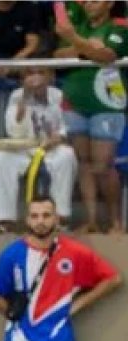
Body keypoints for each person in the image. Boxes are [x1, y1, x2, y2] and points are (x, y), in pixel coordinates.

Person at [0, 195, 122, 341]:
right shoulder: (11, 255)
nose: (40, 221)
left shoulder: (75, 253)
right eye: (35, 216)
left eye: (46, 215)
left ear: (56, 219)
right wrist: (12, 312)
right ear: (27, 220)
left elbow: (113, 279)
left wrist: (79, 304)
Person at [54, 0, 127, 234]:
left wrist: (75, 41)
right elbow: (58, 55)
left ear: (110, 3)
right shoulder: (79, 27)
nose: (88, 4)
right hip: (74, 101)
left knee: (103, 165)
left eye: (95, 0)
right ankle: (92, 221)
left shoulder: (120, 26)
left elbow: (107, 55)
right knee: (83, 163)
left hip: (107, 102)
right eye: (85, 1)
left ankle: (116, 222)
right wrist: (86, 48)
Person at [0, 67, 78, 233]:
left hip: (52, 147)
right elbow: (13, 131)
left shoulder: (59, 95)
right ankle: (4, 221)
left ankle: (60, 219)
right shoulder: (17, 96)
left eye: (41, 73)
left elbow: (69, 124)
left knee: (66, 156)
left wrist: (59, 137)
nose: (35, 77)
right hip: (24, 147)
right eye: (30, 74)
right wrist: (24, 101)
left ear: (50, 76)